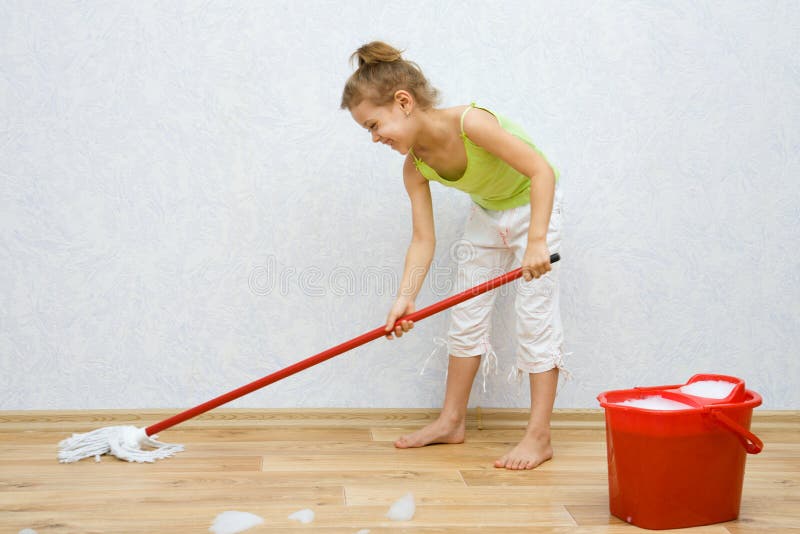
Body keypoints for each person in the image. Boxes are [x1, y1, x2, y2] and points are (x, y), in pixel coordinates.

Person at [340, 41, 566, 470]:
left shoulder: (471, 123)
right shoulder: (415, 167)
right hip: (487, 212)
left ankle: (539, 437)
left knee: (535, 319)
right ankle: (451, 421)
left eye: (374, 125)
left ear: (403, 102)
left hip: (535, 207)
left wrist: (536, 240)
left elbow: (541, 171)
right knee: (465, 316)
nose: (374, 138)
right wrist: (405, 297)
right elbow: (423, 239)